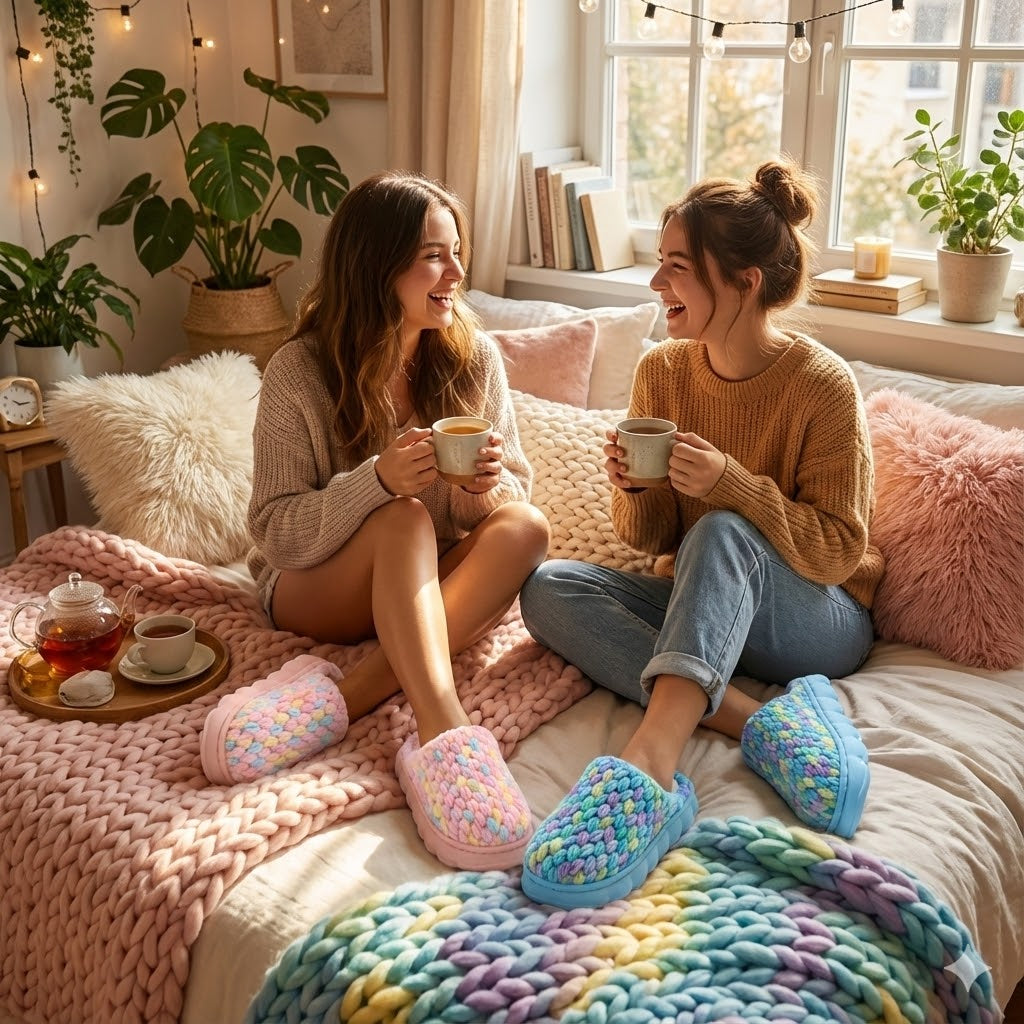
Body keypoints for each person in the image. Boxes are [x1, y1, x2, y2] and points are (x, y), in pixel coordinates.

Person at [517, 160, 883, 909]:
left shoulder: (822, 385)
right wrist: (638, 489)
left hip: (817, 617)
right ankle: (754, 719)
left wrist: (731, 487)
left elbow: (838, 551)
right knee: (550, 585)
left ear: (745, 281)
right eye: (659, 264)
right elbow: (651, 539)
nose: (657, 285)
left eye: (677, 269)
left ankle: (651, 760)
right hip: (707, 614)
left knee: (718, 531)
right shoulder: (663, 372)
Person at [206, 171, 551, 872]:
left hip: (418, 593)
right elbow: (274, 529)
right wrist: (376, 483)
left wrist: (481, 490)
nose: (456, 273)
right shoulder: (298, 371)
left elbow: (511, 488)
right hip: (314, 585)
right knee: (401, 521)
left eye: (457, 252)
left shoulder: (471, 358)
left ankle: (352, 693)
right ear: (376, 265)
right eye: (433, 256)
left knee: (527, 527)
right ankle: (442, 728)